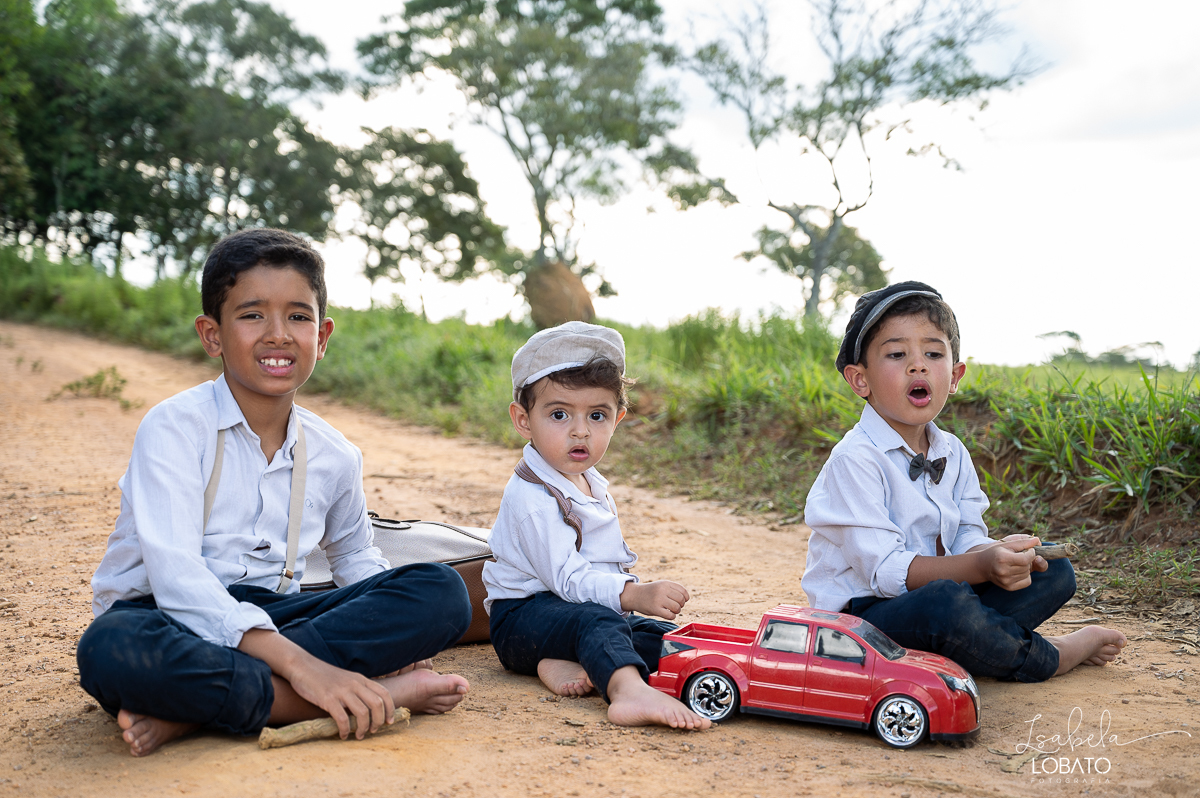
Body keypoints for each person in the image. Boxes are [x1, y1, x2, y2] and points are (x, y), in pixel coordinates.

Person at [78, 228, 472, 757]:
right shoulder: (174, 427)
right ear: (212, 335)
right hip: (164, 615)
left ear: (322, 337)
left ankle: (192, 713)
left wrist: (398, 626)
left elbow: (355, 558)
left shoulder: (335, 454)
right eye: (252, 315)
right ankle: (343, 695)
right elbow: (175, 577)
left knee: (439, 592)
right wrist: (304, 666)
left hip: (275, 618)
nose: (278, 334)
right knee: (110, 650)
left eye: (298, 316)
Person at [802, 281, 1126, 682]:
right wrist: (979, 566)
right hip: (862, 622)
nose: (918, 366)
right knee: (946, 605)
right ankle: (1051, 654)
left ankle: (972, 645)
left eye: (933, 354)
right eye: (897, 354)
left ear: (954, 376)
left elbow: (966, 535)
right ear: (860, 380)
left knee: (1052, 572)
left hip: (935, 604)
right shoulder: (855, 459)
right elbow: (885, 572)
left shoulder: (952, 452)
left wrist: (994, 552)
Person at [483, 322, 710, 729]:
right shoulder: (532, 497)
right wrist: (631, 593)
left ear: (617, 419)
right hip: (520, 621)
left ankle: (569, 658)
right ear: (523, 420)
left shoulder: (588, 481)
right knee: (599, 622)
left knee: (653, 633)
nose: (580, 430)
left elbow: (599, 567)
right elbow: (568, 580)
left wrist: (633, 606)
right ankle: (627, 692)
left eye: (597, 415)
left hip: (572, 612)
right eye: (558, 414)